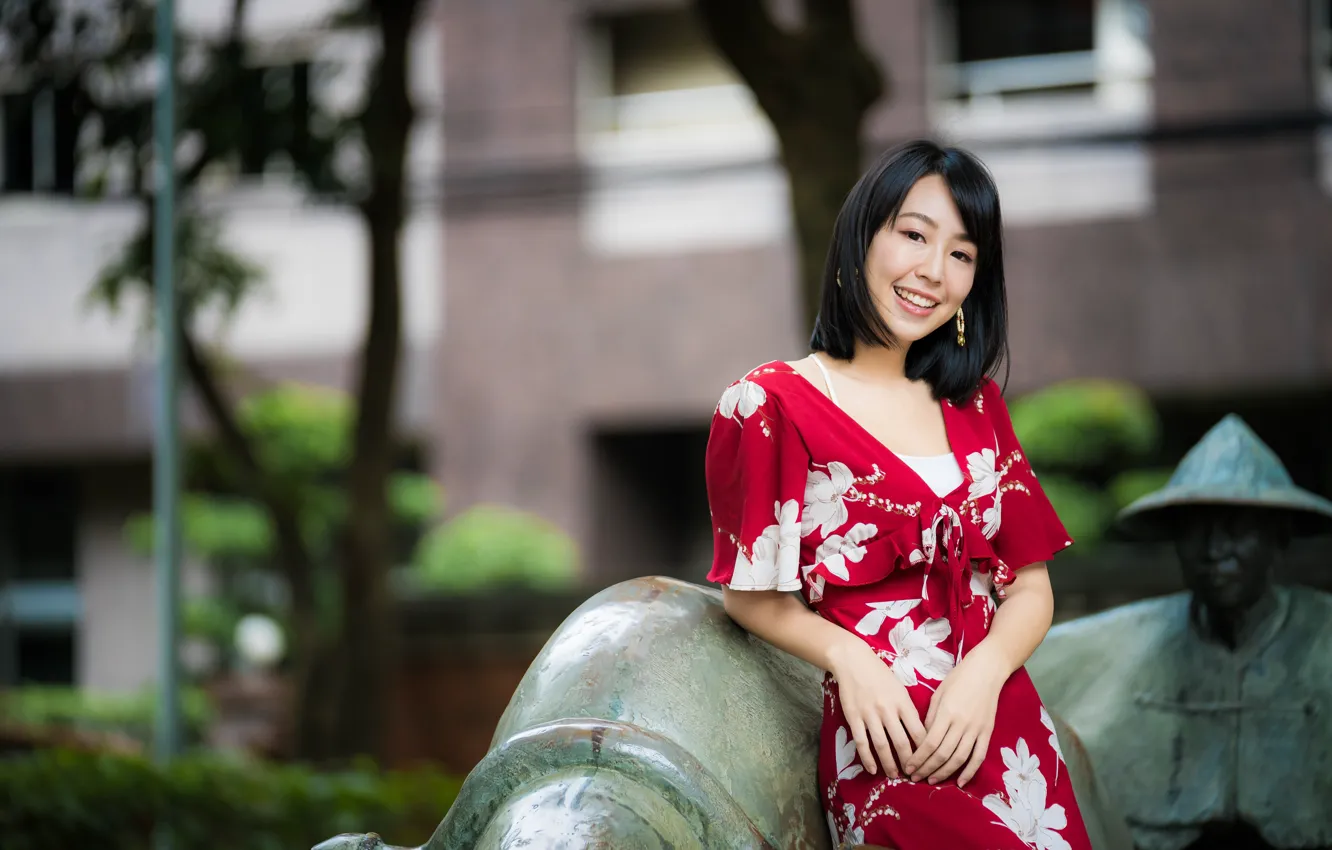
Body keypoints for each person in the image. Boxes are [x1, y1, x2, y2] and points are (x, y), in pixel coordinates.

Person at [704, 140, 1092, 849]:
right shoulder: (767, 404)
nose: (932, 273)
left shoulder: (975, 407)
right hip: (887, 745)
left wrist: (984, 673)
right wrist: (851, 660)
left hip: (1007, 738)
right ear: (862, 236)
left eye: (962, 254)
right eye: (914, 235)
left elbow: (1031, 588)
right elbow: (749, 594)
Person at [1026, 414, 1332, 850]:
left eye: (1236, 528)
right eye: (1195, 530)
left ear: (1277, 535)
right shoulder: (1124, 642)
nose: (1214, 549)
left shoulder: (1321, 636)